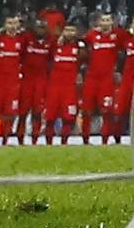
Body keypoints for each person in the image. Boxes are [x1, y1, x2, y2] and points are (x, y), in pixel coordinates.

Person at [81, 12, 126, 145]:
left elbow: (126, 49)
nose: (105, 23)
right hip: (91, 78)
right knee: (86, 111)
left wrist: (118, 71)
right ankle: (85, 140)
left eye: (108, 20)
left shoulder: (117, 36)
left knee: (107, 111)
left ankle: (105, 141)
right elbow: (81, 47)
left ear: (112, 22)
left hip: (107, 79)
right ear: (99, 23)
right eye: (103, 20)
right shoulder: (91, 35)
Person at [0, 15, 26, 145]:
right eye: (9, 23)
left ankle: (5, 140)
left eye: (14, 23)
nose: (12, 26)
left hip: (12, 83)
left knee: (9, 114)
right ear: (4, 24)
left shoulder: (21, 40)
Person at [43, 22, 82, 145]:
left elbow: (88, 59)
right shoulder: (54, 45)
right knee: (50, 117)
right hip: (54, 87)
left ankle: (64, 142)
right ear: (62, 31)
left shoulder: (80, 47)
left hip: (69, 88)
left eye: (72, 31)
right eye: (67, 30)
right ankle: (49, 143)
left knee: (68, 118)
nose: (69, 33)